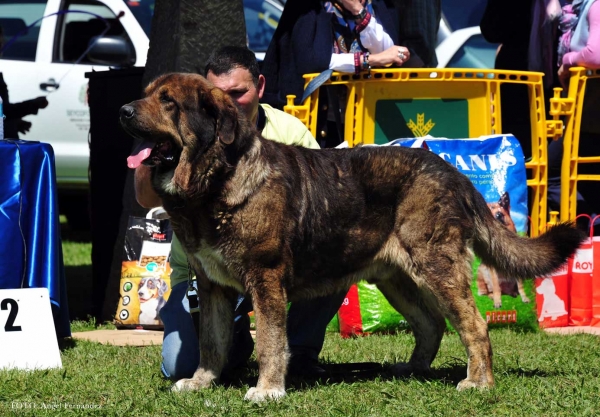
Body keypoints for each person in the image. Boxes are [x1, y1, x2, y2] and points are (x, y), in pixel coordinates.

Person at [134, 46, 348, 381]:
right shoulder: (181, 132)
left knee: (337, 257)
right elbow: (146, 199)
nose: (228, 102)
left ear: (260, 87)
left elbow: (325, 202)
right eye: (218, 94)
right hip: (201, 275)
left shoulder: (289, 131)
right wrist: (152, 158)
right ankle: (234, 345)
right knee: (180, 367)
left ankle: (299, 353)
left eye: (239, 92)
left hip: (274, 266)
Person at [261, 0, 439, 147]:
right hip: (314, 122)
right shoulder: (310, 8)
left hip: (362, 122)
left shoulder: (377, 5)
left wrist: (359, 11)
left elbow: (389, 52)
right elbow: (312, 61)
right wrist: (369, 60)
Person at [553, 0, 600, 219]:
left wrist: (568, 60)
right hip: (588, 112)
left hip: (591, 112)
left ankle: (586, 227)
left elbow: (595, 54)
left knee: (558, 169)